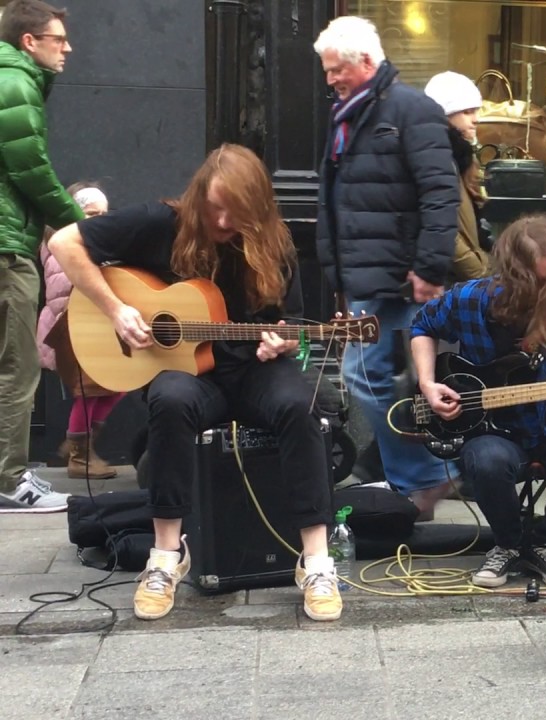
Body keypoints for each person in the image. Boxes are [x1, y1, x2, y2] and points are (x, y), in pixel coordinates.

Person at [48, 144, 343, 622]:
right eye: (215, 207)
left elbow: (286, 326)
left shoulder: (276, 243)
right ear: (200, 193)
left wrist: (283, 343)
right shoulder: (160, 223)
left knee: (301, 404)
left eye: (237, 212)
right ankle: (166, 558)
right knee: (168, 399)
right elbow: (64, 243)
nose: (223, 221)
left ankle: (316, 562)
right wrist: (116, 309)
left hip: (253, 370)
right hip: (186, 372)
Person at [410, 215, 546, 589]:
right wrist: (428, 383)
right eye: (538, 281)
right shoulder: (469, 298)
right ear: (512, 273)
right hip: (490, 431)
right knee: (487, 461)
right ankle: (508, 544)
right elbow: (423, 326)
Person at [313, 16, 460, 519]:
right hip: (367, 277)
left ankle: (424, 479)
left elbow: (442, 193)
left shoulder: (410, 109)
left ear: (366, 62)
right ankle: (422, 476)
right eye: (327, 71)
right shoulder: (350, 112)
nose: (330, 79)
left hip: (399, 278)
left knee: (368, 375)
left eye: (336, 70)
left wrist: (429, 268)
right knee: (384, 377)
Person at [0, 0, 82, 513]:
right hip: (7, 247)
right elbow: (30, 169)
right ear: (30, 41)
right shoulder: (16, 84)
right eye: (58, 39)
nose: (67, 47)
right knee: (19, 367)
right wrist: (78, 223)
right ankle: (10, 483)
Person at [37, 182, 122, 479]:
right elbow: (66, 291)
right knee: (89, 392)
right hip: (74, 331)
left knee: (116, 386)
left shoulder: (94, 245)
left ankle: (79, 441)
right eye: (91, 213)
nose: (100, 219)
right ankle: (79, 455)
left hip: (93, 329)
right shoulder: (63, 245)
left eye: (105, 213)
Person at [424, 71, 491, 282]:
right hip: (448, 279)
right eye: (467, 112)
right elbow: (443, 228)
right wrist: (477, 270)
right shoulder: (437, 157)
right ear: (445, 114)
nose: (476, 119)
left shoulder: (460, 156)